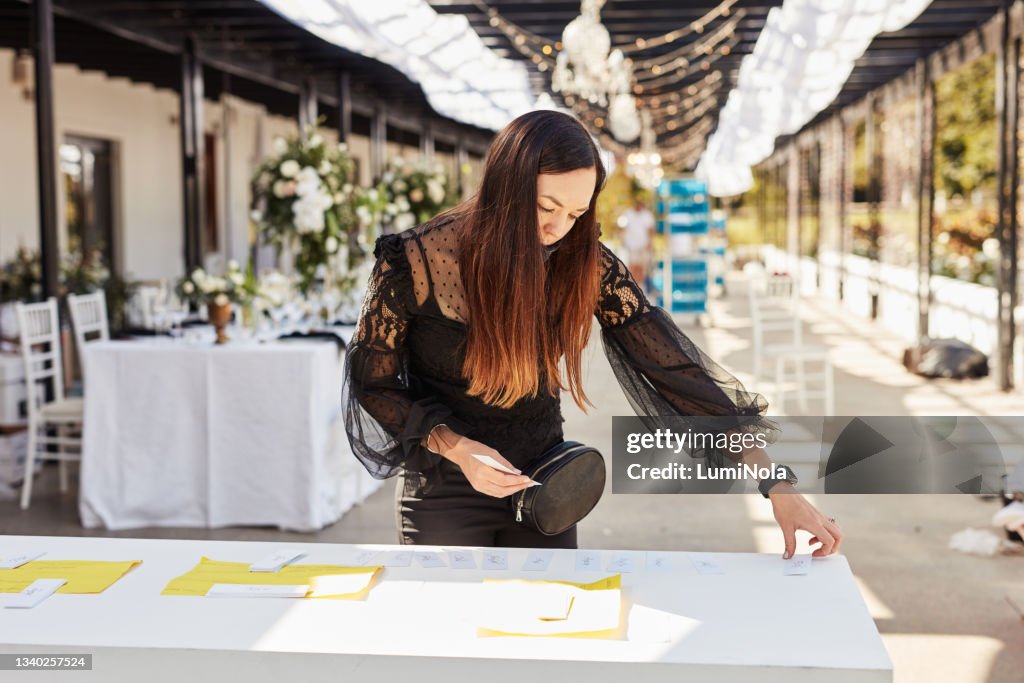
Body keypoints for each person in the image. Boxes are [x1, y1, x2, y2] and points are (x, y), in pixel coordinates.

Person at [344, 110, 841, 558]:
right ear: (505, 187)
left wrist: (776, 481)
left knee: (550, 635)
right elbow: (374, 383)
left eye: (577, 213)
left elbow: (671, 366)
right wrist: (455, 447)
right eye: (546, 207)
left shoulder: (582, 260)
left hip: (548, 483)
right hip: (443, 489)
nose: (559, 228)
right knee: (453, 641)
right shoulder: (415, 262)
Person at [618, 198, 656, 288]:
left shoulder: (647, 215)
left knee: (642, 268)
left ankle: (640, 286)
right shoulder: (628, 213)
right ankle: (632, 284)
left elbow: (651, 230)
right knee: (632, 267)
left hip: (643, 246)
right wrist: (622, 240)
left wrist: (650, 243)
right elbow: (622, 227)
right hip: (630, 247)